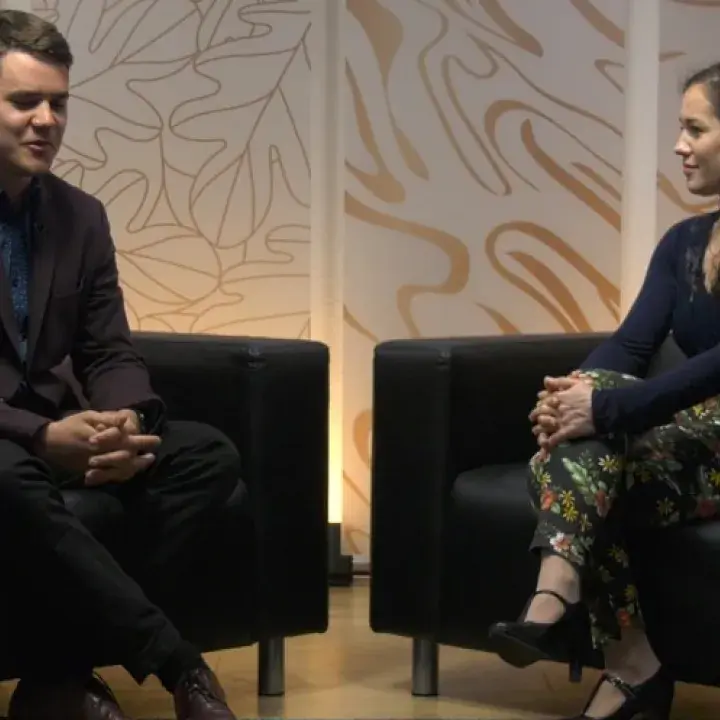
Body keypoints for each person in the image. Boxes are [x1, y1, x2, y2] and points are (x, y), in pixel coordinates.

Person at [0, 10, 241, 720]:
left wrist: (126, 420)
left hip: (57, 433)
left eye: (59, 104)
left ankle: (56, 674)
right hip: (9, 444)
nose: (47, 121)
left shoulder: (81, 216)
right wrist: (41, 436)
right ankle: (178, 665)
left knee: (206, 456)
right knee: (6, 474)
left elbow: (107, 348)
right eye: (24, 102)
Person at [489, 60, 720, 720]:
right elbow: (630, 345)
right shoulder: (684, 242)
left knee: (574, 460)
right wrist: (571, 395)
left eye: (695, 129)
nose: (678, 145)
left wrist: (603, 406)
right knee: (574, 459)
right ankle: (625, 658)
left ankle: (605, 642)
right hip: (691, 440)